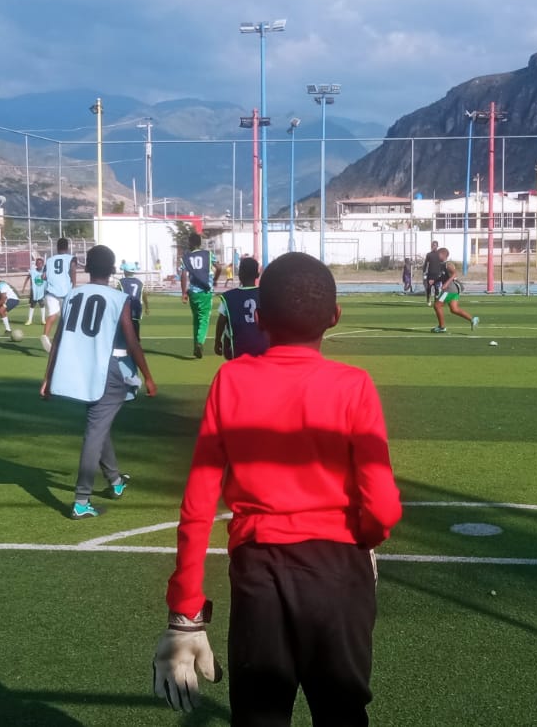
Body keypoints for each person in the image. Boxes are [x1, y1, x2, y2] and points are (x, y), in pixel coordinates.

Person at [152, 252, 402, 723]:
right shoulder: (355, 385)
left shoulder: (230, 380)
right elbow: (383, 506)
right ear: (335, 317)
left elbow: (198, 502)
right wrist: (367, 539)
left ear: (260, 318)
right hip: (339, 571)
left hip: (259, 574)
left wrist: (184, 611)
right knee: (342, 715)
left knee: (259, 717)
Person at [40, 245, 157, 519]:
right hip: (108, 373)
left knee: (98, 424)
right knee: (95, 431)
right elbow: (132, 341)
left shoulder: (72, 295)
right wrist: (148, 377)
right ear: (113, 269)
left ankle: (115, 481)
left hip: (84, 371)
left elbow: (58, 339)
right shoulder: (119, 298)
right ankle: (81, 500)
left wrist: (48, 377)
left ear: (86, 268)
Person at [215, 257, 268, 360]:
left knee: (228, 332)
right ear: (257, 275)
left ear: (239, 274)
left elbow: (221, 320)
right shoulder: (265, 294)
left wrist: (217, 341)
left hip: (239, 349)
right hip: (262, 348)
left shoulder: (229, 296)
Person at [179, 233, 221, 359]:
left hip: (193, 292)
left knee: (196, 319)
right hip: (205, 291)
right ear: (200, 243)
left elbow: (183, 275)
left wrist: (184, 292)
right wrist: (215, 279)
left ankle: (195, 347)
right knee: (204, 319)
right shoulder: (208, 254)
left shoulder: (186, 257)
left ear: (191, 243)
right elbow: (219, 267)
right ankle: (200, 342)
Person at [40, 239, 78, 350]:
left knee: (52, 315)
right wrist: (74, 284)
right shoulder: (71, 258)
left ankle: (45, 335)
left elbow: (43, 276)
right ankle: (68, 340)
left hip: (51, 291)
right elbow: (73, 270)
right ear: (67, 247)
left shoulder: (49, 260)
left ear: (57, 248)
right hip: (66, 292)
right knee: (68, 316)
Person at [432, 248, 478, 333]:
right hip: (454, 290)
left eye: (437, 255)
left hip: (449, 289)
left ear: (443, 255)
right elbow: (444, 276)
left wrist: (446, 284)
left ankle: (442, 327)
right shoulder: (442, 265)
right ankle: (472, 319)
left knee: (437, 305)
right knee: (454, 309)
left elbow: (454, 274)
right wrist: (435, 281)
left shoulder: (447, 264)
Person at [0, 272, 21, 339]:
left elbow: (2, 300)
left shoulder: (2, 285)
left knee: (1, 310)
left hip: (12, 299)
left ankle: (8, 330)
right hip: (5, 300)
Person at [118, 264, 149, 338]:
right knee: (135, 329)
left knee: (123, 332)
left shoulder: (121, 282)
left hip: (125, 309)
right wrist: (147, 307)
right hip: (136, 308)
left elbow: (116, 295)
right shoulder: (140, 282)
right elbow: (144, 295)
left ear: (125, 272)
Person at [22, 257, 49, 325]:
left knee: (42, 304)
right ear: (36, 264)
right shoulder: (32, 272)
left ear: (43, 264)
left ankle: (43, 320)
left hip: (41, 292)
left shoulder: (45, 272)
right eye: (38, 263)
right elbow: (27, 278)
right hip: (34, 291)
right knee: (32, 305)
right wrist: (23, 288)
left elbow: (48, 280)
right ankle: (29, 320)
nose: (39, 265)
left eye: (40, 263)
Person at [422, 240, 444, 305]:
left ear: (437, 246)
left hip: (437, 275)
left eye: (435, 245)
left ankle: (436, 301)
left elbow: (442, 264)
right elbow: (426, 264)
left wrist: (442, 272)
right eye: (433, 245)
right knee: (428, 288)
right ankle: (428, 300)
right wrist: (424, 272)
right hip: (430, 275)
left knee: (437, 289)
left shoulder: (440, 255)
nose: (434, 246)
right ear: (431, 246)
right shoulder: (429, 254)